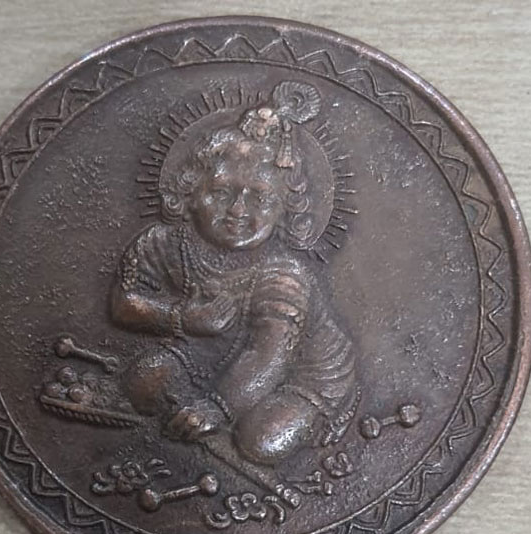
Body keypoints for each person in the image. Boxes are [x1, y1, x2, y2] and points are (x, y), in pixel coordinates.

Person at [111, 81, 356, 466]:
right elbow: (124, 305)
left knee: (260, 442)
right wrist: (182, 318)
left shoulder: (283, 273)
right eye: (222, 193)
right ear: (191, 193)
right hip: (206, 354)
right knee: (144, 381)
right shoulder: (164, 243)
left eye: (260, 198)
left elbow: (270, 354)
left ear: (286, 210)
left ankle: (295, 416)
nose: (239, 211)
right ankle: (202, 423)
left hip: (298, 375)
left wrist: (218, 407)